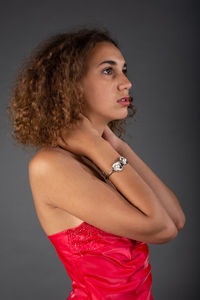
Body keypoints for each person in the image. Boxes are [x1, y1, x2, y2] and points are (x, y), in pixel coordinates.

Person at [7, 27, 186, 299]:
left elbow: (176, 219)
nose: (126, 82)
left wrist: (116, 145)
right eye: (108, 71)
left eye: (124, 70)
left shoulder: (104, 153)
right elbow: (162, 229)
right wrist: (95, 145)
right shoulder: (50, 164)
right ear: (71, 84)